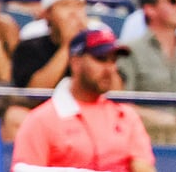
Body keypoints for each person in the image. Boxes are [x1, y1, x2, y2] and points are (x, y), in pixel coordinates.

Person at [11, 28, 156, 172]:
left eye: (113, 60)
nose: (109, 69)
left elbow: (143, 166)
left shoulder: (126, 116)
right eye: (101, 59)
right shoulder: (41, 120)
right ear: (75, 62)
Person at [9, 0, 90, 88]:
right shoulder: (28, 48)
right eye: (65, 5)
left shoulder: (97, 46)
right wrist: (67, 46)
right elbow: (33, 93)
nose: (74, 13)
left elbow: (115, 91)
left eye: (78, 5)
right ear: (47, 14)